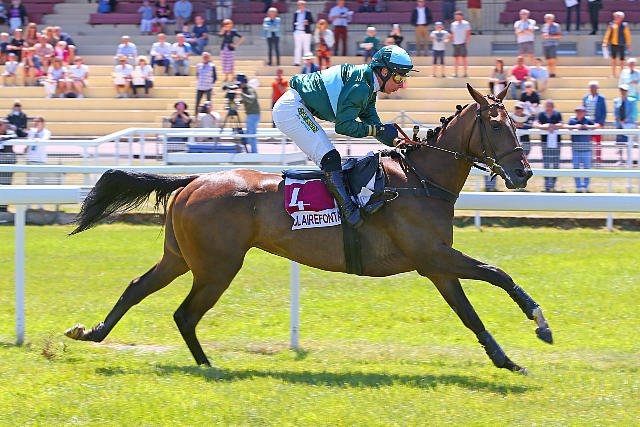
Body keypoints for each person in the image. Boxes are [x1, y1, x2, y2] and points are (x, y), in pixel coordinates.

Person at [272, 45, 414, 227]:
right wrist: (378, 130)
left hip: (295, 106)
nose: (401, 84)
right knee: (330, 158)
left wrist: (397, 141)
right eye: (399, 77)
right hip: (290, 109)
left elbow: (374, 124)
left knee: (333, 160)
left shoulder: (368, 85)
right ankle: (348, 212)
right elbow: (344, 126)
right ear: (384, 71)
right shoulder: (361, 85)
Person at [566, 106, 599, 192]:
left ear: (584, 113)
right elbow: (565, 126)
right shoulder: (572, 120)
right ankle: (578, 187)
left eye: (581, 111)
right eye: (578, 111)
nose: (579, 113)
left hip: (586, 149)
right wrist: (575, 127)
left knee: (587, 168)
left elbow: (597, 125)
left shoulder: (588, 120)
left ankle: (586, 186)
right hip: (575, 149)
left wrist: (586, 126)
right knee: (576, 168)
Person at [534, 100, 563, 192]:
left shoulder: (557, 114)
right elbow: (535, 124)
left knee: (556, 164)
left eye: (550, 106)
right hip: (545, 143)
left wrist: (552, 126)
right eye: (547, 106)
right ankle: (547, 185)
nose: (548, 107)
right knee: (546, 164)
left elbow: (561, 124)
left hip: (556, 143)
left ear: (553, 107)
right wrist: (546, 127)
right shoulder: (541, 114)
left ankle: (553, 185)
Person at [582, 80, 607, 165]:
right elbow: (583, 110)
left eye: (594, 87)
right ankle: (589, 159)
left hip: (597, 124)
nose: (592, 89)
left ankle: (598, 159)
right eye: (591, 87)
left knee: (598, 143)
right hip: (588, 123)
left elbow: (604, 112)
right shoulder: (586, 98)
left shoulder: (601, 98)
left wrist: (600, 123)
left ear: (597, 88)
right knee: (588, 142)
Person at [613, 84, 637, 166]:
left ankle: (628, 160)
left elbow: (632, 112)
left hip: (628, 125)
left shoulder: (631, 101)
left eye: (625, 90)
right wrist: (619, 119)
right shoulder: (617, 101)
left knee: (628, 142)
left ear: (627, 91)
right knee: (620, 143)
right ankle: (620, 159)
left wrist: (626, 119)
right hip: (620, 125)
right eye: (622, 90)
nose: (623, 92)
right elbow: (615, 112)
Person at [602, 12, 632, 78]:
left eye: (618, 16)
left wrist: (628, 44)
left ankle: (622, 74)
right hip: (613, 44)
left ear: (622, 18)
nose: (616, 17)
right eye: (615, 16)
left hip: (621, 44)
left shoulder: (624, 25)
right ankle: (613, 74)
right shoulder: (611, 24)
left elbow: (627, 35)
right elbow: (608, 34)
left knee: (622, 60)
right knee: (613, 59)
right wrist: (605, 42)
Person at [24, 117, 51, 185]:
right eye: (34, 121)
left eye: (38, 121)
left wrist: (37, 139)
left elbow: (45, 139)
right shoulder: (31, 131)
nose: (35, 123)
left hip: (40, 159)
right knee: (30, 181)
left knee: (39, 180)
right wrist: (26, 150)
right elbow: (28, 143)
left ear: (42, 123)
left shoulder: (46, 132)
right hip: (30, 158)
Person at [237, 74, 260, 153]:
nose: (239, 85)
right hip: (251, 115)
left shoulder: (249, 89)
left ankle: (254, 154)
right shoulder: (244, 90)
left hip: (253, 115)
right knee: (249, 135)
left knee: (251, 136)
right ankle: (251, 152)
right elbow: (245, 100)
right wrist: (237, 102)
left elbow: (251, 99)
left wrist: (241, 94)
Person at [0, 118, 17, 212]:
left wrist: (3, 138)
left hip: (8, 163)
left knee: (6, 185)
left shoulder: (10, 133)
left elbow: (14, 136)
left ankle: (4, 208)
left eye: (1, 125)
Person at [450, 10, 471, 78]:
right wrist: (452, 40)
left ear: (462, 16)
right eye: (456, 16)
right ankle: (455, 73)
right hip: (455, 43)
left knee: (464, 59)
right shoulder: (453, 24)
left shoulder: (466, 23)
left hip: (462, 43)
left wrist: (467, 40)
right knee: (456, 59)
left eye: (458, 16)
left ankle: (465, 73)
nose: (457, 17)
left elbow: (468, 32)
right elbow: (452, 33)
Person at [292, 0, 313, 66]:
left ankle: (307, 63)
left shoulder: (308, 12)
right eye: (298, 5)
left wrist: (307, 22)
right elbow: (293, 22)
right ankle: (297, 62)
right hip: (298, 31)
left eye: (301, 4)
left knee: (306, 48)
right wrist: (294, 30)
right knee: (297, 48)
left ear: (304, 5)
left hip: (306, 32)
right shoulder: (296, 13)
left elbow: (312, 21)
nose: (299, 6)